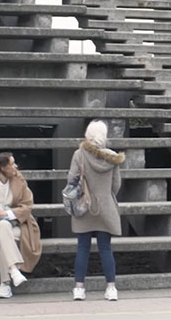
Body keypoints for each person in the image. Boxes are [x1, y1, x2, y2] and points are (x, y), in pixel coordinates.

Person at [68, 120, 126, 302]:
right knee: (105, 248)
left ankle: (79, 288)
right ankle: (111, 288)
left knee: (83, 248)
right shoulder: (112, 157)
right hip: (106, 206)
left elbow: (71, 179)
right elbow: (116, 185)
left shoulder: (79, 154)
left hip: (84, 206)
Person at [0, 152, 42, 299]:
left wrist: (8, 214)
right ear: (3, 167)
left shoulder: (20, 182)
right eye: (12, 163)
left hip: (20, 225)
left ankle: (5, 283)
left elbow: (27, 206)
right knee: (2, 228)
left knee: (1, 240)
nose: (15, 166)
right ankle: (14, 271)